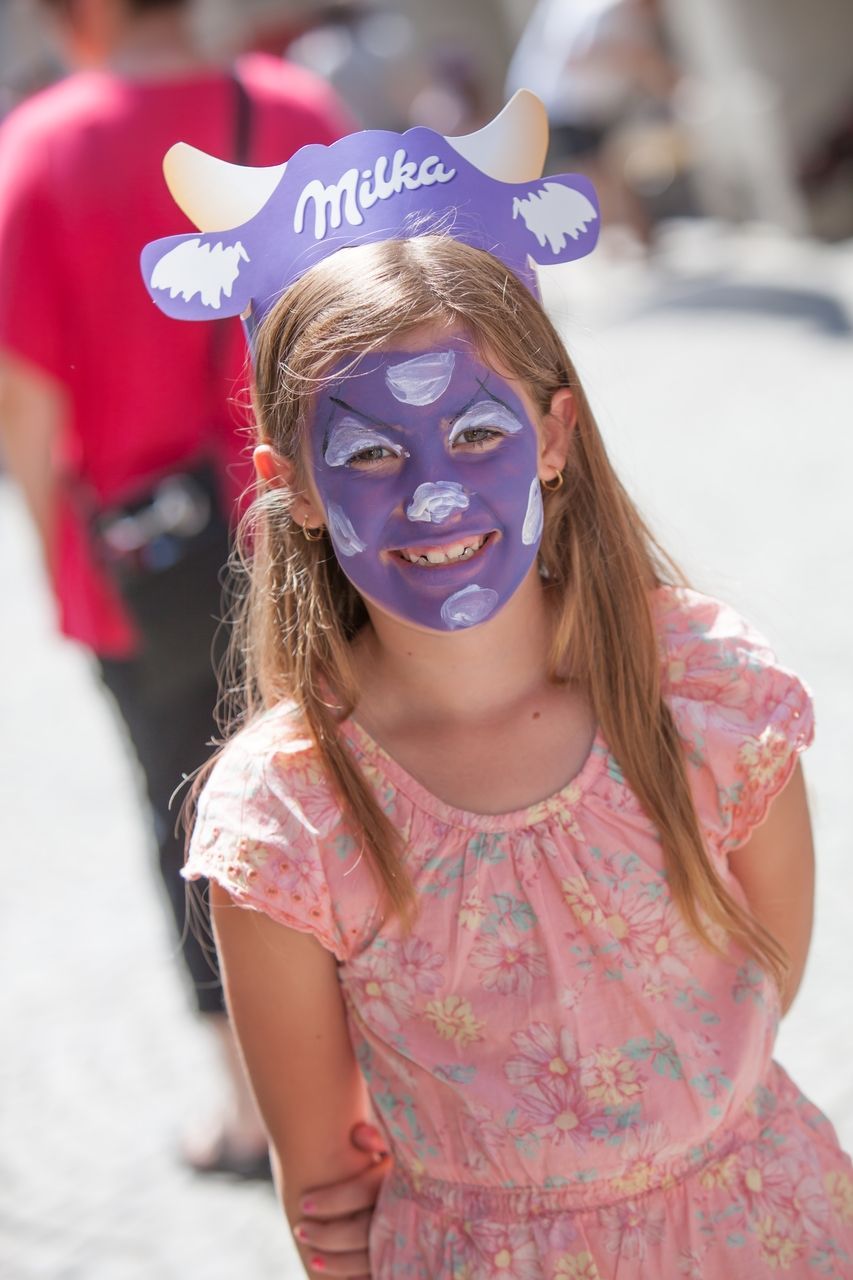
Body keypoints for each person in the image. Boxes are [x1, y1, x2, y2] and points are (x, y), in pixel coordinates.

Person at [141, 94, 853, 1277]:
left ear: (554, 435)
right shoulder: (289, 819)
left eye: (476, 434)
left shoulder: (702, 694)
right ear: (293, 484)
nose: (432, 492)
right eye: (370, 450)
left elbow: (760, 979)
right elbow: (324, 1181)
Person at [0, 0, 371, 1182]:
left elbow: (25, 400)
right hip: (332, 524)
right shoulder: (298, 110)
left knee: (196, 819)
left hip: (144, 565)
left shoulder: (40, 150)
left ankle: (258, 1110)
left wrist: (60, 554)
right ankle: (411, 1064)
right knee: (373, 781)